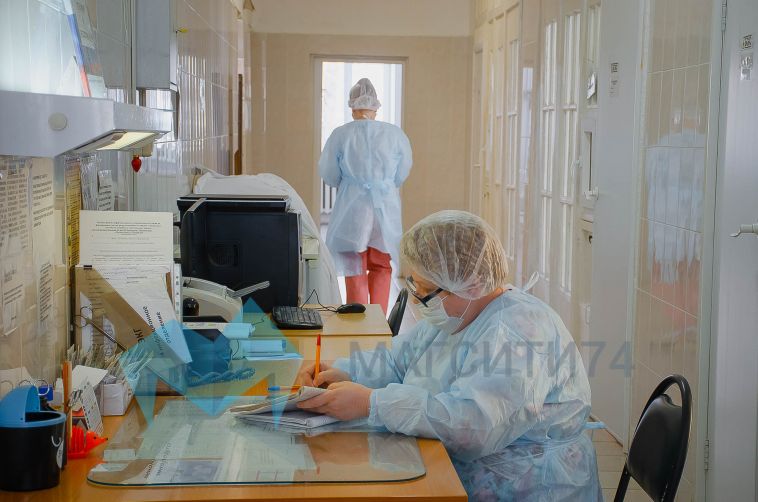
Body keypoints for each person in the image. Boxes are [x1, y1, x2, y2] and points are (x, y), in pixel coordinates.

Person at [297, 210, 602, 501]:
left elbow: (471, 425)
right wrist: (344, 371)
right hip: (459, 468)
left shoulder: (518, 335)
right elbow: (398, 359)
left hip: (527, 485)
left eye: (426, 292)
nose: (417, 301)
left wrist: (371, 402)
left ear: (473, 284)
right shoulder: (458, 315)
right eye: (413, 286)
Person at [319, 78, 413, 313]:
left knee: (354, 265)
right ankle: (378, 319)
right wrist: (385, 183)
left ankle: (358, 319)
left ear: (352, 107)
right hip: (385, 205)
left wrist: (349, 184)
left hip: (353, 206)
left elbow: (329, 172)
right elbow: (402, 172)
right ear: (376, 107)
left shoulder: (341, 135)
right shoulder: (394, 134)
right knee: (382, 264)